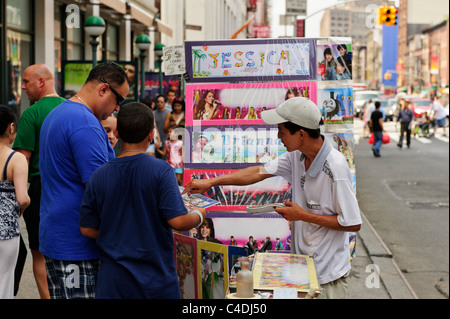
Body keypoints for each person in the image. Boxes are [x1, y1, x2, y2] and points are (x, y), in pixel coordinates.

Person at [183, 97, 362, 299]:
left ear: (301, 134)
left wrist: (302, 215)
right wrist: (210, 182)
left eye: (282, 131)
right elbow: (258, 172)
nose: (279, 137)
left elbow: (352, 223)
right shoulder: (297, 156)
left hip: (327, 277)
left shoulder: (336, 168)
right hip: (303, 270)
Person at [79, 102, 206, 299]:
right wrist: (199, 215)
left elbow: (87, 228)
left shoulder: (99, 175)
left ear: (118, 133)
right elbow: (179, 221)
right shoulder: (162, 171)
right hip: (156, 281)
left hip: (113, 282)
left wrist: (119, 234)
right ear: (150, 134)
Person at [39, 61, 129, 299]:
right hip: (77, 244)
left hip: (59, 236)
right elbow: (101, 190)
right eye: (119, 100)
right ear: (104, 89)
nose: (118, 109)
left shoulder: (59, 112)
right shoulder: (85, 123)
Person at [12, 63, 65, 299]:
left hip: (41, 189)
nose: (22, 87)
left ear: (41, 82)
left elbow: (22, 161)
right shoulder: (72, 108)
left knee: (39, 252)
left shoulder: (31, 113)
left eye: (26, 82)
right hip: (71, 188)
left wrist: (18, 202)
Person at [0, 105, 30, 299]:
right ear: (11, 127)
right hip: (6, 232)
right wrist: (21, 208)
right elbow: (22, 198)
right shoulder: (16, 158)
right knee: (4, 279)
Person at [154, 95, 171, 160]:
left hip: (166, 140)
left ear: (165, 103)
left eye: (161, 101)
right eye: (158, 101)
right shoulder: (153, 113)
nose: (159, 103)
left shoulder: (169, 113)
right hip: (156, 141)